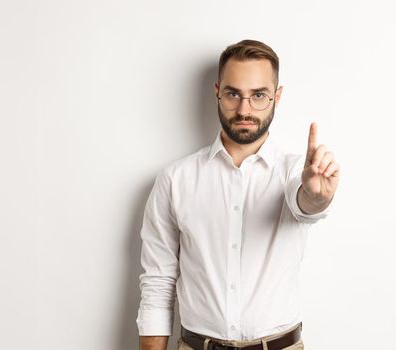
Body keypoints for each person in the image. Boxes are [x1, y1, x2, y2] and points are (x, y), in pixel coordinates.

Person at [137, 39, 340, 350]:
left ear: (277, 96)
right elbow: (157, 281)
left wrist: (317, 196)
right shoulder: (175, 179)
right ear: (218, 91)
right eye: (233, 94)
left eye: (259, 95)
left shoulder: (295, 172)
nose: (245, 109)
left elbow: (306, 203)